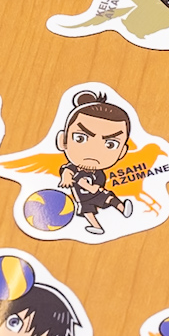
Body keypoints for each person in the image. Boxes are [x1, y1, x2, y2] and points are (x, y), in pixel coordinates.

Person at [55, 89, 135, 235]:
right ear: (62, 141)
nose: (93, 151)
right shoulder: (72, 168)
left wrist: (92, 187)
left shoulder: (98, 173)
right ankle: (97, 227)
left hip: (97, 193)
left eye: (110, 144)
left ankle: (123, 208)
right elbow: (67, 171)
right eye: (80, 138)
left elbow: (99, 183)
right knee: (87, 212)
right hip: (82, 198)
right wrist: (66, 179)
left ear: (122, 152)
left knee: (109, 198)